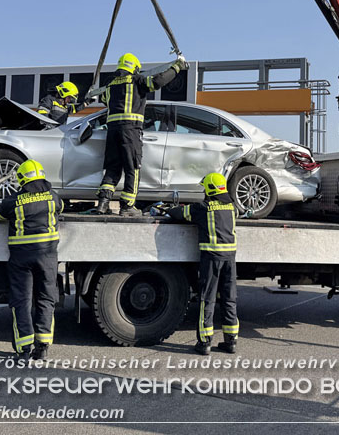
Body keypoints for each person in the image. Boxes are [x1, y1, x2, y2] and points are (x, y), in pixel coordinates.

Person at [0, 159, 63, 361]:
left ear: (21, 179)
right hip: (47, 257)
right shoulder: (53, 197)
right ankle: (43, 346)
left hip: (21, 259)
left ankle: (23, 349)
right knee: (46, 299)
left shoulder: (13, 200)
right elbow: (60, 208)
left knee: (22, 302)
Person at [95, 53, 186, 216]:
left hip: (112, 131)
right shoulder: (137, 80)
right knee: (132, 168)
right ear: (134, 67)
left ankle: (103, 204)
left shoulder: (109, 84)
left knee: (112, 168)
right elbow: (158, 81)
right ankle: (127, 206)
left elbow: (104, 99)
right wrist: (177, 67)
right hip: (130, 130)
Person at [167, 172, 239, 355]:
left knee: (207, 299)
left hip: (212, 259)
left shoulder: (203, 207)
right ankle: (231, 342)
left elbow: (180, 214)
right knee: (229, 299)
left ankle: (205, 343)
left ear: (210, 188)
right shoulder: (232, 206)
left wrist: (167, 209)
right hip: (230, 258)